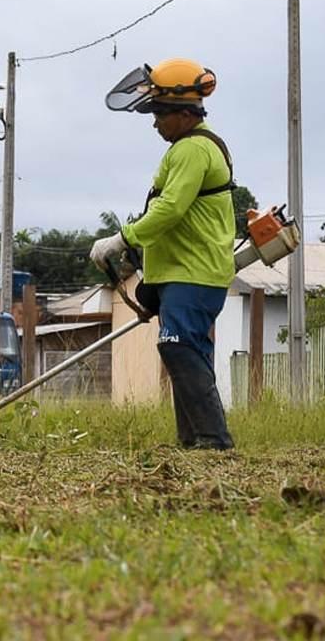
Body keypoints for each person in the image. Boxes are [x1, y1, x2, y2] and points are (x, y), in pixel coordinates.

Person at [89, 58, 236, 451]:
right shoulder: (186, 148)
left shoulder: (194, 149)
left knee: (178, 345)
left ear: (186, 114)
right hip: (180, 272)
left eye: (160, 114)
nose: (155, 123)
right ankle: (195, 440)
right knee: (185, 349)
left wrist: (122, 239)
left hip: (195, 272)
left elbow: (170, 209)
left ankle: (213, 439)